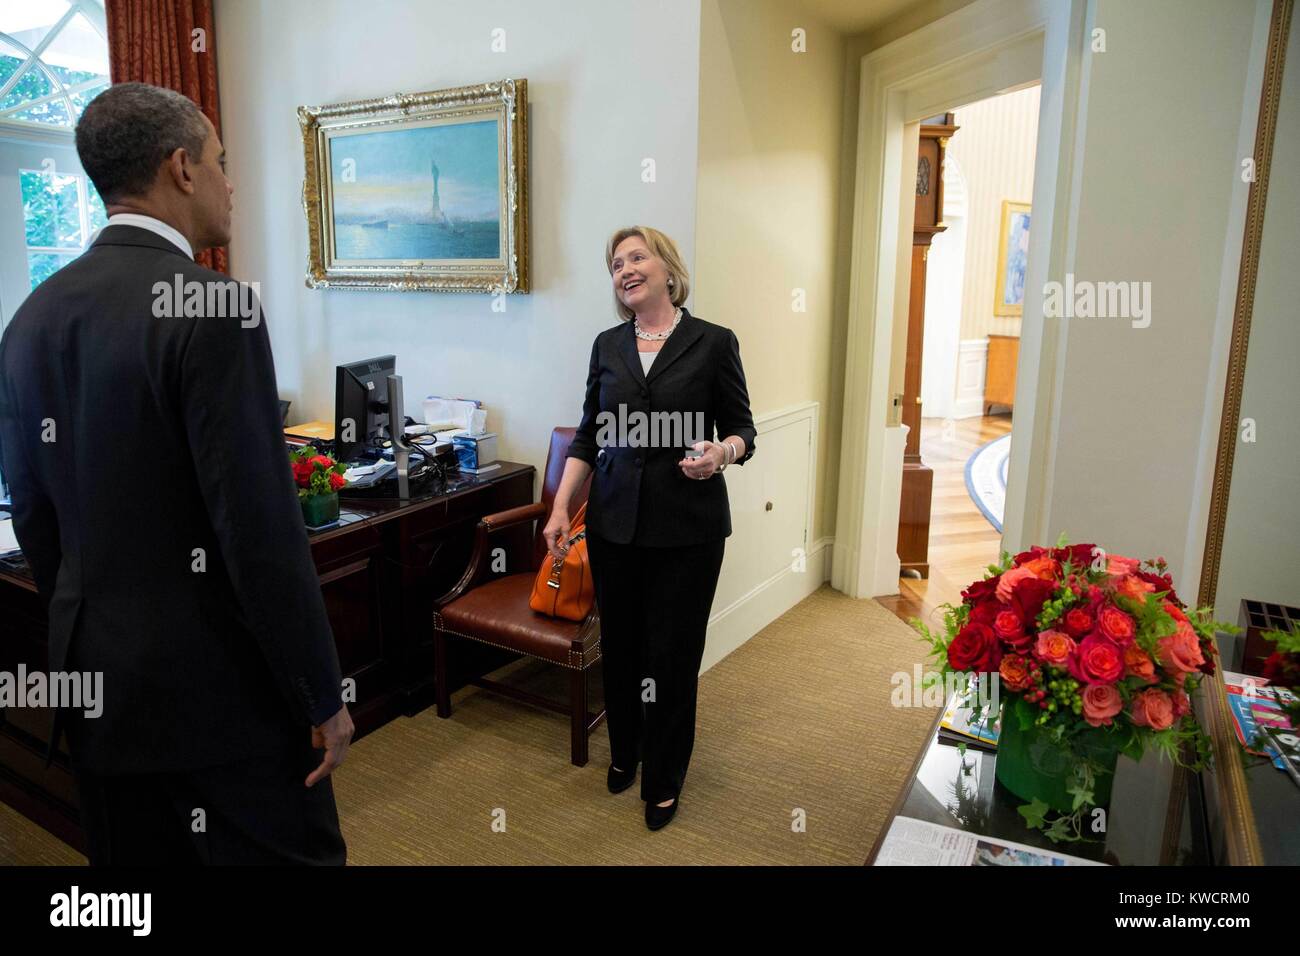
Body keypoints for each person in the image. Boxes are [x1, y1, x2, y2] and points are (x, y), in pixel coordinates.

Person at [0, 83, 352, 864]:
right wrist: (321, 695)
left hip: (94, 690)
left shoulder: (29, 319)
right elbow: (257, 533)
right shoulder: (214, 308)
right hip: (216, 698)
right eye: (223, 162)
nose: (233, 183)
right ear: (182, 169)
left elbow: (34, 518)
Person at [543, 226, 756, 831]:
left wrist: (722, 454)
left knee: (673, 656)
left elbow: (745, 429)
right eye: (616, 264)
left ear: (667, 268)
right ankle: (626, 753)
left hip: (688, 531)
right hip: (614, 526)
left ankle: (664, 776)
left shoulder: (713, 343)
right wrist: (562, 508)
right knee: (625, 650)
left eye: (637, 257)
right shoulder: (607, 345)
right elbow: (590, 434)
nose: (626, 269)